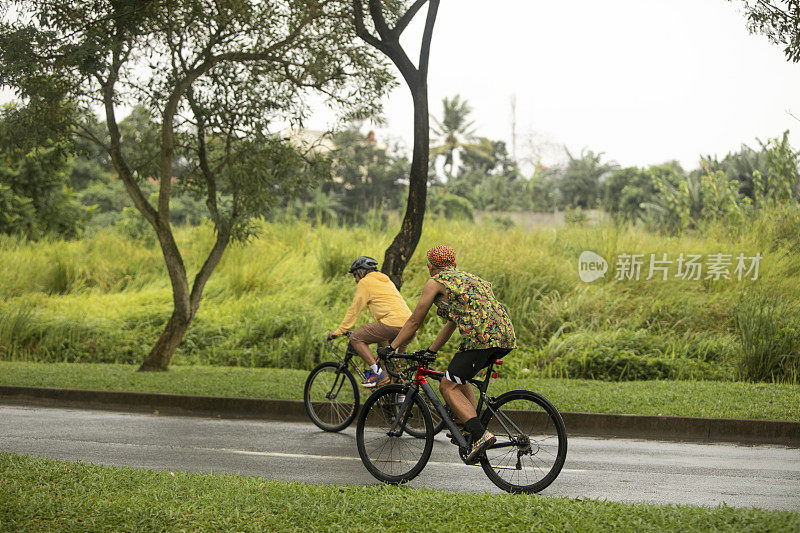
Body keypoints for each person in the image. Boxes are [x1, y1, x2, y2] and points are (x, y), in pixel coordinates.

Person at [378, 245, 516, 464]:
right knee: (459, 379)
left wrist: (391, 347)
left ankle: (480, 435)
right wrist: (432, 350)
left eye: (429, 266)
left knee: (446, 386)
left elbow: (414, 321)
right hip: (505, 335)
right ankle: (472, 429)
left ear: (431, 266)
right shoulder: (469, 280)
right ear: (454, 264)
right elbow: (452, 323)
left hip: (481, 338)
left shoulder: (435, 282)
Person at [328, 256, 413, 387]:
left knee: (356, 337)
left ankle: (378, 373)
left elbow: (354, 310)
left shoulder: (365, 282)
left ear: (361, 272)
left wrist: (339, 332)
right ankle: (400, 401)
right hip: (409, 326)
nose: (356, 280)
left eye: (355, 275)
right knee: (395, 365)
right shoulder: (386, 281)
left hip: (392, 324)